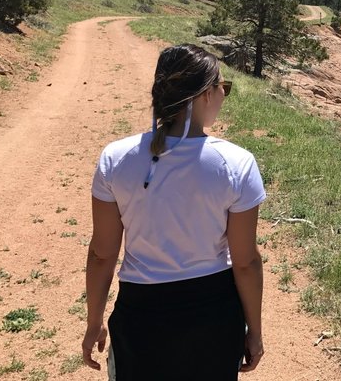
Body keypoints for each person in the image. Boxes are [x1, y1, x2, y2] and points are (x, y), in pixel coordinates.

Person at [82, 44, 266, 380]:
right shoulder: (236, 164)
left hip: (140, 314)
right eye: (223, 88)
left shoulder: (115, 159)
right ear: (205, 95)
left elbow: (102, 254)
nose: (224, 97)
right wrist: (254, 329)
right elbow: (245, 261)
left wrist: (94, 322)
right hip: (213, 314)